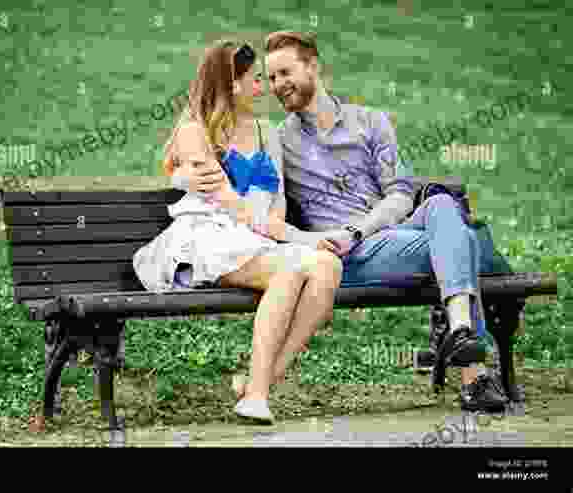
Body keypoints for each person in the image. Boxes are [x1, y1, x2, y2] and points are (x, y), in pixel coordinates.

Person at [181, 31, 507, 412]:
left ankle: (461, 333)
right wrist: (184, 176)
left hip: (379, 234)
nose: (277, 85)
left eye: (285, 72)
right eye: (270, 79)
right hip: (349, 256)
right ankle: (473, 372)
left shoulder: (370, 122)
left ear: (313, 66)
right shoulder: (280, 140)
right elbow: (238, 166)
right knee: (463, 242)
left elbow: (401, 194)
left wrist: (360, 229)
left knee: (440, 205)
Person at [133, 40, 343, 424]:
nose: (266, 88)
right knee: (289, 270)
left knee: (328, 266)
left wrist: (291, 234)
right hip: (208, 238)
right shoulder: (195, 131)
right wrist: (300, 238)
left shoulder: (267, 132)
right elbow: (230, 203)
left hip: (254, 237)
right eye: (257, 79)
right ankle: (257, 396)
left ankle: (259, 382)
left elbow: (275, 203)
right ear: (232, 84)